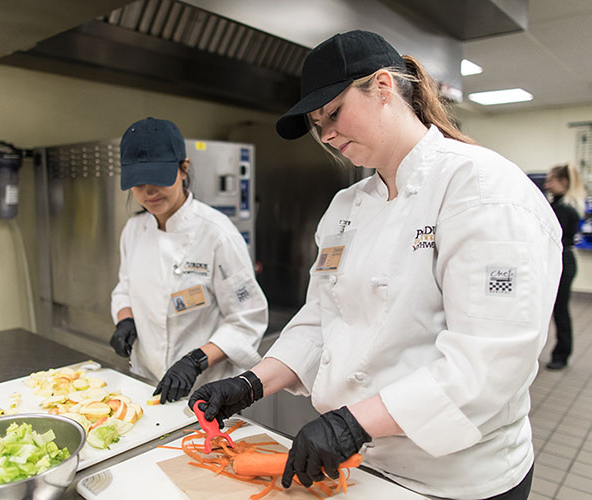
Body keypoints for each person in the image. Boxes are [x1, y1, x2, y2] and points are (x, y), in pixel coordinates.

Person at [189, 30, 563, 500]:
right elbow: (322, 321)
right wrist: (250, 383)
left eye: (334, 113)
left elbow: (490, 361)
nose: (325, 134)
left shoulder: (483, 190)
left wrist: (351, 422)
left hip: (456, 478)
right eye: (316, 123)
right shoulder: (346, 206)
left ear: (384, 87)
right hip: (364, 464)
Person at [109, 117, 268, 404]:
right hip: (146, 383)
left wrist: (195, 361)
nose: (149, 192)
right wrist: (125, 321)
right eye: (138, 183)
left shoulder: (217, 234)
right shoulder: (134, 230)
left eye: (158, 178)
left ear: (184, 168)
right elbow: (124, 287)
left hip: (205, 392)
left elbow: (247, 319)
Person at [543, 163, 584, 370]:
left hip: (562, 261)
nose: (547, 184)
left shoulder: (564, 209)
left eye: (551, 180)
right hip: (560, 259)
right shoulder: (559, 205)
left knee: (560, 309)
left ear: (564, 182)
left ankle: (561, 354)